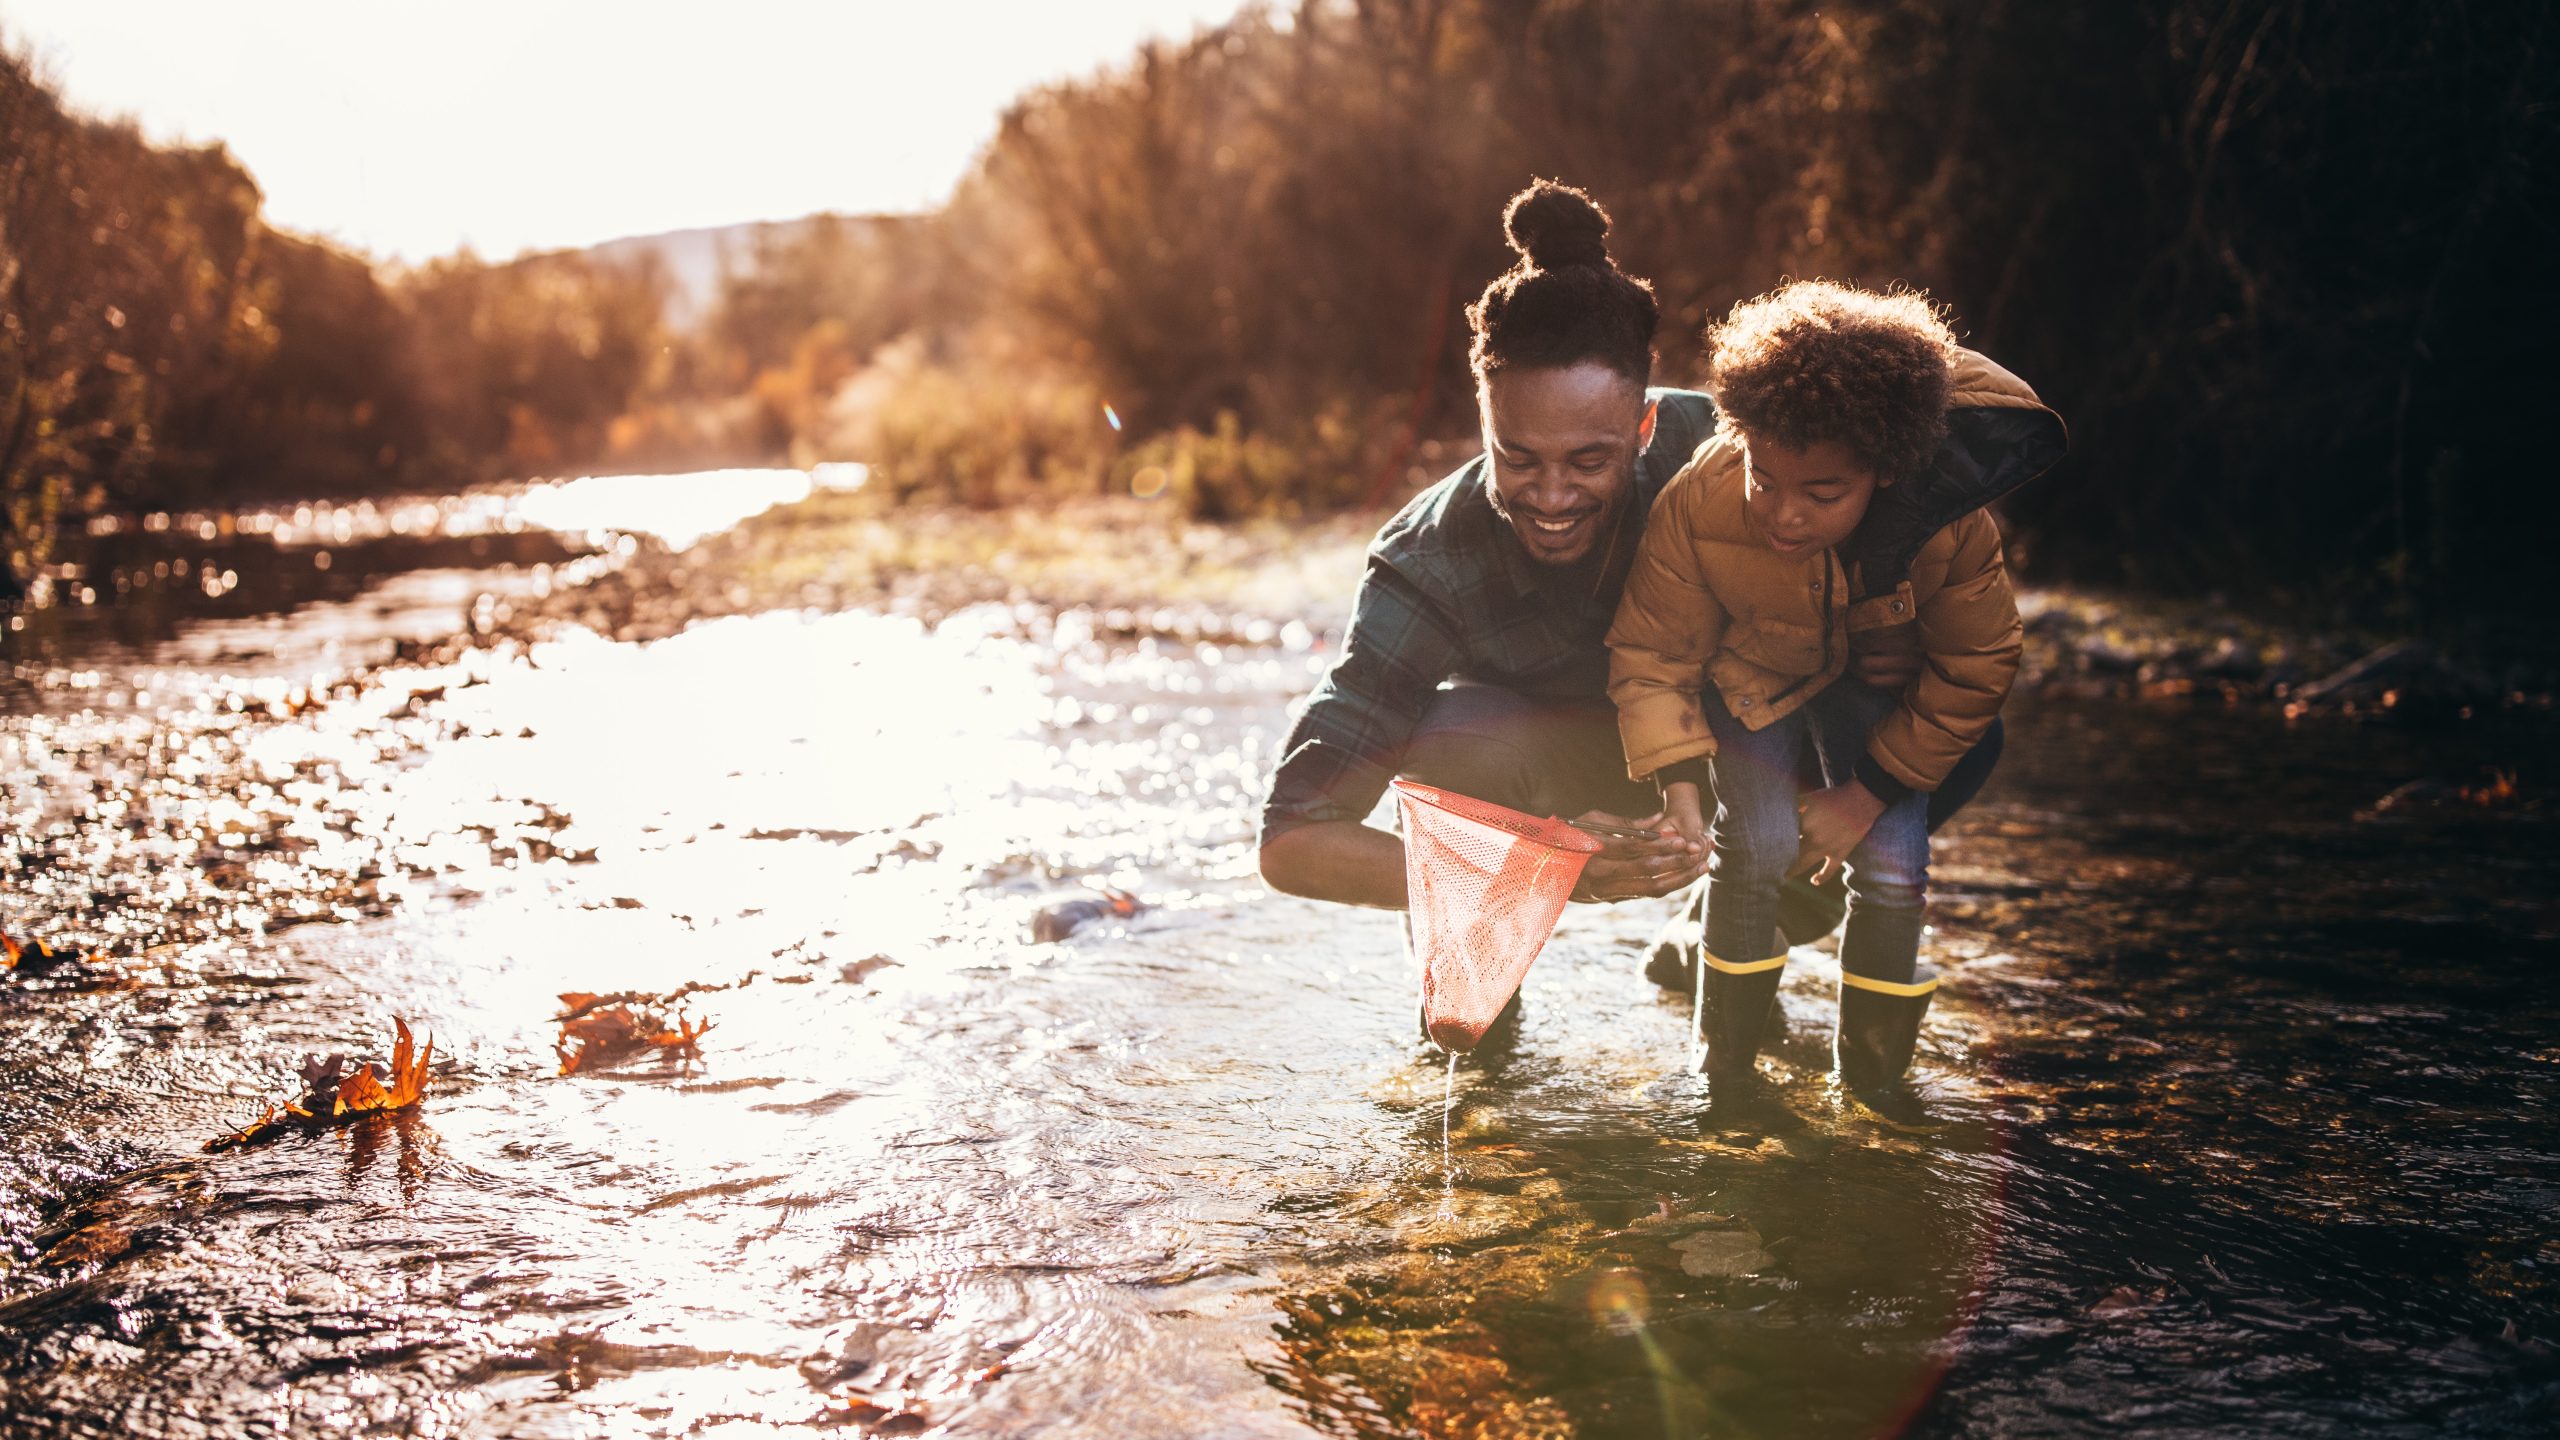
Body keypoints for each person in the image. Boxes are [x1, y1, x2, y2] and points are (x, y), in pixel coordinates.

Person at [1255, 180, 2040, 1035]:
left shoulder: (1737, 451)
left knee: (1960, 737)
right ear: (1484, 424)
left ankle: (1746, 925)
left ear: (1643, 427)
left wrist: (1884, 638)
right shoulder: (1424, 565)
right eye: (1517, 459)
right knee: (1455, 735)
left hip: (1733, 739)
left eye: (1588, 462)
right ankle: (1477, 1030)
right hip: (1549, 778)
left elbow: (1897, 504)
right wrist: (1541, 868)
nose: (1550, 497)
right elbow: (1294, 840)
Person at [1606, 280, 2065, 1122]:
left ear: (1885, 471)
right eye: (1765, 478)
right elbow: (1651, 652)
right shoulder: (1699, 501)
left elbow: (1979, 663)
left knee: (1896, 868)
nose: (1784, 514)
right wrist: (1676, 787)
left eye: (1822, 495)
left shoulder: (1948, 526)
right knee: (1758, 844)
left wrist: (1868, 793)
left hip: (1869, 697)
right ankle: (1725, 1076)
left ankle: (1875, 1091)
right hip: (1747, 686)